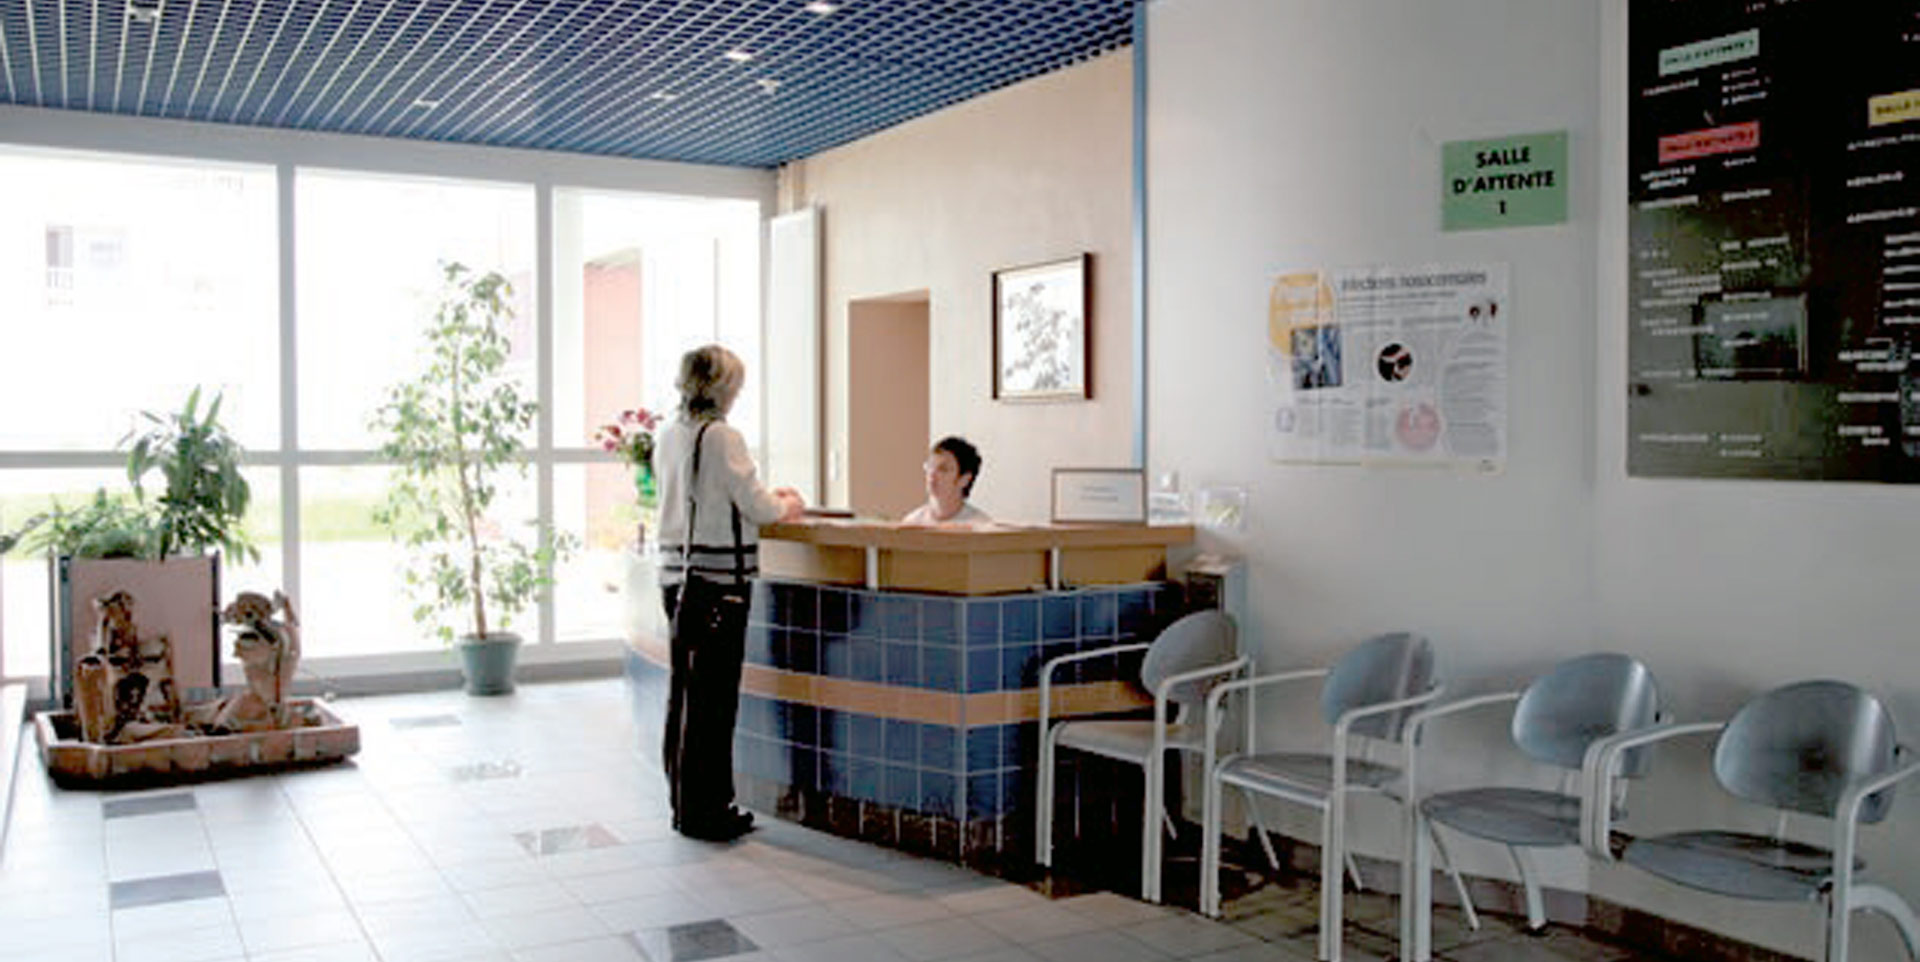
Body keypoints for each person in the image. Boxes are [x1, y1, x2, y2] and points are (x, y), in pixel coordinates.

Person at [654, 344, 804, 841]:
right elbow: (758, 507)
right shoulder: (721, 436)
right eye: (735, 384)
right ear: (722, 387)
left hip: (676, 579)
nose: (738, 392)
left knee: (685, 696)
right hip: (718, 585)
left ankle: (686, 804)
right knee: (713, 703)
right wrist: (787, 504)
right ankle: (707, 811)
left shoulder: (669, 434)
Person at [901, 436, 991, 525]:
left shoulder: (981, 525)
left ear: (964, 479)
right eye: (930, 466)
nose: (932, 474)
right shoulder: (912, 523)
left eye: (943, 469)